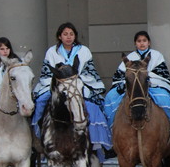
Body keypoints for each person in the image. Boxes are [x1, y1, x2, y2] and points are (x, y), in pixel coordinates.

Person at [32, 22, 112, 158]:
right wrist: (60, 81)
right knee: (40, 101)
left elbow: (89, 71)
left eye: (71, 34)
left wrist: (74, 80)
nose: (68, 37)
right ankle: (39, 136)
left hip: (78, 84)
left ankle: (96, 142)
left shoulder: (83, 50)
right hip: (58, 85)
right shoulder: (52, 52)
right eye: (65, 34)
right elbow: (46, 73)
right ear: (59, 36)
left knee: (94, 106)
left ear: (75, 36)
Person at [103, 30, 170, 128]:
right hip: (132, 87)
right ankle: (111, 130)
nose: (142, 43)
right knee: (110, 96)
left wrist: (145, 78)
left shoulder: (157, 55)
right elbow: (119, 76)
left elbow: (162, 75)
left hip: (153, 86)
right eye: (139, 41)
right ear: (135, 43)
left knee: (165, 98)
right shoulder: (130, 57)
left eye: (144, 40)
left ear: (149, 42)